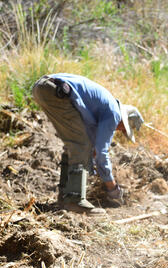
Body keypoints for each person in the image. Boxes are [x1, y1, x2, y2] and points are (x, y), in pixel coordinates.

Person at [32, 73, 144, 215]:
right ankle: (74, 200)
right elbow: (101, 153)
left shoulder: (102, 106)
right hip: (55, 91)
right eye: (123, 128)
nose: (119, 130)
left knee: (75, 144)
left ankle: (65, 197)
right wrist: (112, 188)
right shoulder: (114, 114)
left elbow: (94, 150)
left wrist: (94, 167)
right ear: (124, 119)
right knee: (80, 145)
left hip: (43, 88)